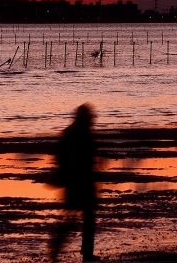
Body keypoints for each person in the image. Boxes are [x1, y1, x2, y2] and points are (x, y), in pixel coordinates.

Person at [49, 103, 100, 262]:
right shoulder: (81, 133)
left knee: (76, 218)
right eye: (90, 115)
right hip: (80, 181)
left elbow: (58, 157)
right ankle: (81, 253)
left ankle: (60, 249)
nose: (93, 118)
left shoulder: (71, 132)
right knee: (80, 219)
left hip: (75, 182)